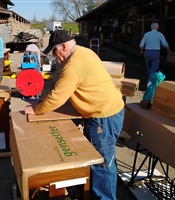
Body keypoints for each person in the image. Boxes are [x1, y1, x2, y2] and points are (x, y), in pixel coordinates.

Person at [25, 30, 125, 200]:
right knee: (104, 160)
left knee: (101, 165)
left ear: (63, 46)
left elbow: (58, 96)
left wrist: (36, 109)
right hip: (108, 112)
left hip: (103, 117)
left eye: (55, 52)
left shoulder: (73, 64)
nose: (56, 57)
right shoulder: (84, 52)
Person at [139, 22, 171, 87]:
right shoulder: (160, 34)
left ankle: (149, 77)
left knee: (148, 67)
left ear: (151, 27)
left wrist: (142, 51)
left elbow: (141, 45)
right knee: (153, 69)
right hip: (155, 53)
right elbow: (165, 44)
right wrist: (168, 50)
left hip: (147, 53)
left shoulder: (146, 34)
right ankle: (149, 83)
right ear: (158, 28)